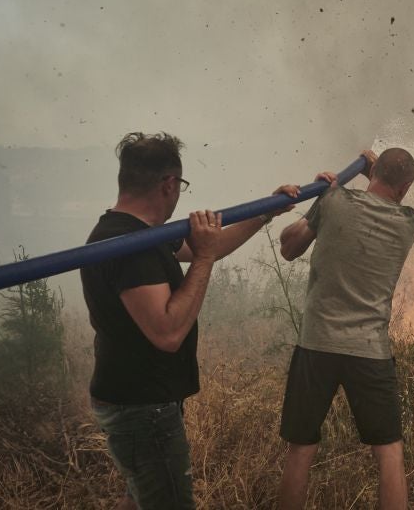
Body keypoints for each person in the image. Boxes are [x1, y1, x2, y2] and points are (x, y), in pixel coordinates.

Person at [80, 132, 299, 510]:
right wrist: (204, 259)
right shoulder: (132, 247)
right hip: (141, 407)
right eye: (179, 185)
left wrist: (266, 212)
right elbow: (168, 333)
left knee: (140, 495)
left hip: (135, 398)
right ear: (168, 184)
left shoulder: (136, 234)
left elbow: (212, 246)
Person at [277, 148, 414, 510]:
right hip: (370, 350)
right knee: (388, 451)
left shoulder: (332, 201)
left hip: (317, 345)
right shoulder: (409, 222)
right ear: (405, 188)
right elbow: (389, 194)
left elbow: (289, 247)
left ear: (373, 174)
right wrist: (372, 174)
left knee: (301, 448)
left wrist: (328, 193)